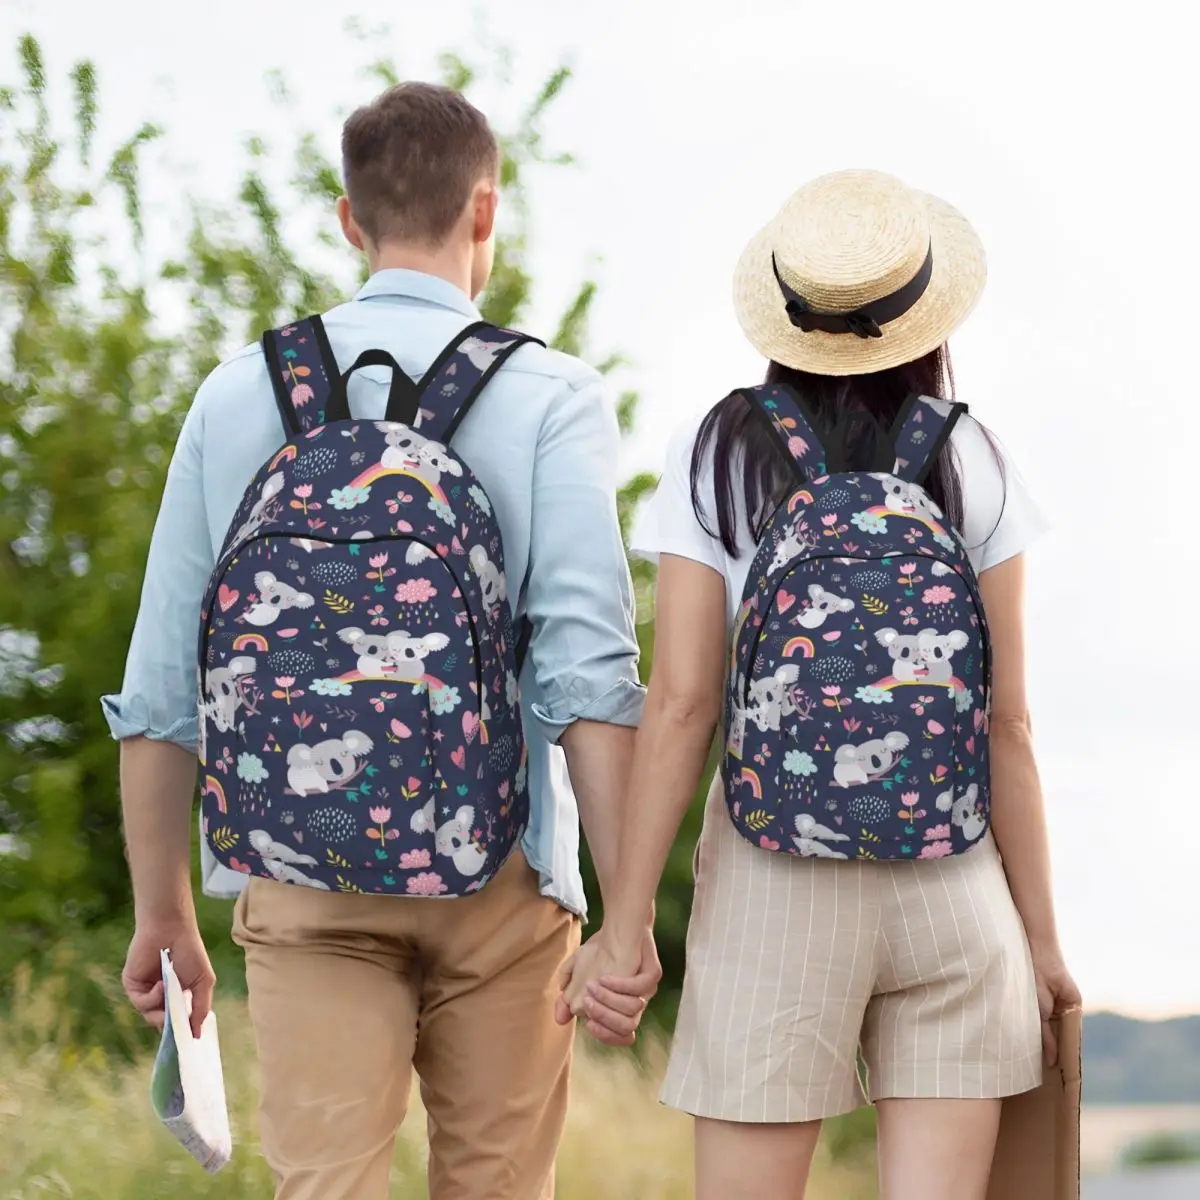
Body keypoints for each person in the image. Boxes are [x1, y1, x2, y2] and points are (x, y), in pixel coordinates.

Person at [105, 81, 660, 1200]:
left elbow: (165, 680)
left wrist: (162, 910)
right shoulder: (550, 395)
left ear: (349, 220)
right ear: (486, 213)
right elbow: (588, 678)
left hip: (300, 876)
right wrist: (627, 915)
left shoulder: (236, 395)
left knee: (325, 1186)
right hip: (502, 873)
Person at [560, 169, 1081, 1200]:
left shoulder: (718, 451)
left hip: (772, 879)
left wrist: (624, 927)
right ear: (925, 316)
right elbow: (1007, 723)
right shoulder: (974, 455)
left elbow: (682, 705)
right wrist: (1042, 943)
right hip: (954, 883)